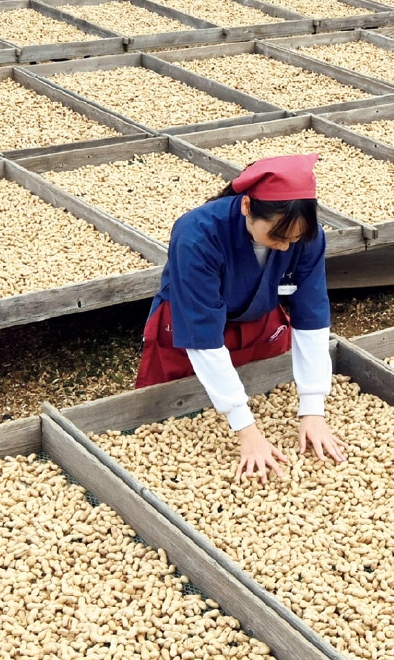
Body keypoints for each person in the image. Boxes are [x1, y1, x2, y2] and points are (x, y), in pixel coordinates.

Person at [135, 152, 347, 484]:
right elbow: (203, 337)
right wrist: (247, 430)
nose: (284, 248)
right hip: (190, 325)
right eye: (276, 237)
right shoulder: (197, 234)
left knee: (262, 382)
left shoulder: (308, 237)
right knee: (176, 407)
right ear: (247, 206)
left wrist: (312, 407)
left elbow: (312, 314)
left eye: (293, 240)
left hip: (258, 320)